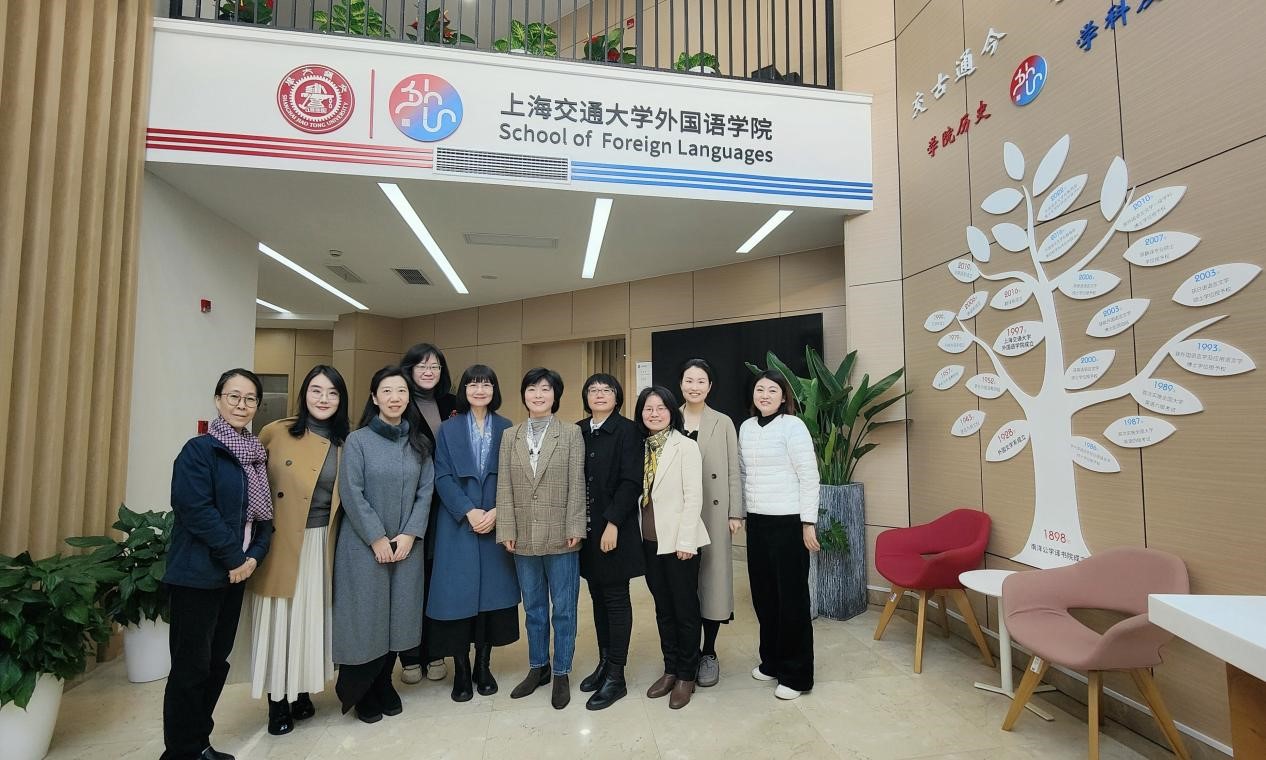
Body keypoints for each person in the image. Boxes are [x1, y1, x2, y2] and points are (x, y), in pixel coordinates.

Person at [163, 369, 274, 760]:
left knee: (214, 662)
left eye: (250, 399)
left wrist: (254, 556)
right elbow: (196, 510)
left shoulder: (256, 454)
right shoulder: (200, 450)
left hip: (236, 574)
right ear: (218, 400)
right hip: (198, 574)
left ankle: (198, 743)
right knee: (191, 666)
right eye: (234, 397)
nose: (242, 405)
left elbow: (262, 518)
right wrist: (235, 557)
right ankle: (181, 751)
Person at [246, 365, 349, 736]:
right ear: (304, 394)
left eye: (332, 393)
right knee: (281, 621)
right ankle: (277, 700)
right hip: (283, 540)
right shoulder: (276, 432)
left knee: (311, 619)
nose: (323, 399)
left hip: (324, 540)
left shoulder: (346, 442)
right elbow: (252, 486)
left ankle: (303, 690)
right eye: (316, 390)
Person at [332, 366, 434, 723]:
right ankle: (362, 690)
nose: (395, 398)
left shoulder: (419, 443)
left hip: (406, 545)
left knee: (399, 616)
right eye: (387, 391)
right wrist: (377, 537)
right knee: (366, 617)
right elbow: (351, 492)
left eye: (401, 391)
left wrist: (410, 534)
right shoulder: (357, 441)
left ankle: (385, 681)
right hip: (364, 545)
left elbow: (426, 492)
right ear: (374, 398)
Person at [426, 364, 519, 703]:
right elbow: (441, 475)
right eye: (473, 384)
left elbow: (514, 476)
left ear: (495, 390)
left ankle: (483, 665)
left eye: (486, 384)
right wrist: (468, 510)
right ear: (464, 390)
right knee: (457, 599)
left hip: (495, 521)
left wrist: (497, 511)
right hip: (458, 524)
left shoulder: (507, 427)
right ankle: (461, 669)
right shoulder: (447, 429)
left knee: (490, 600)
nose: (480, 390)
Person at [495, 367, 586, 710]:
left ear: (555, 395)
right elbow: (504, 485)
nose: (538, 395)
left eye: (545, 389)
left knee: (563, 609)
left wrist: (575, 526)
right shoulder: (511, 436)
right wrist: (506, 528)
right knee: (533, 609)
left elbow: (577, 483)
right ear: (524, 394)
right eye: (532, 389)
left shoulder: (571, 433)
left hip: (562, 536)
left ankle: (561, 671)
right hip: (523, 537)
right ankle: (538, 667)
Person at [739, 370, 820, 701]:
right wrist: (740, 513)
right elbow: (742, 473)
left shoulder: (793, 426)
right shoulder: (746, 427)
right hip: (757, 522)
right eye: (760, 389)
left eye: (773, 390)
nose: (765, 395)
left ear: (784, 396)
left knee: (792, 600)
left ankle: (797, 675)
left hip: (789, 522)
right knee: (764, 596)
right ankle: (771, 661)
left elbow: (808, 474)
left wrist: (808, 522)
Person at [637, 385, 710, 710]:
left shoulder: (685, 446)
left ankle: (686, 675)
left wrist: (686, 542)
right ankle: (670, 668)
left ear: (671, 411)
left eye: (661, 408)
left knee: (685, 610)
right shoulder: (640, 447)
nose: (654, 414)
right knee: (663, 609)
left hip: (680, 543)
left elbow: (694, 497)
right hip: (650, 542)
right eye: (648, 408)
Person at [576, 373, 644, 711]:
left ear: (617, 397)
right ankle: (604, 663)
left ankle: (617, 675)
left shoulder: (628, 431)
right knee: (598, 598)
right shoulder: (578, 430)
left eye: (607, 390)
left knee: (616, 599)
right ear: (585, 397)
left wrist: (613, 523)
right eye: (593, 390)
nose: (600, 394)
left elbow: (632, 482)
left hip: (614, 530)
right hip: (586, 532)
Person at [679, 358, 743, 687]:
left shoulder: (723, 422)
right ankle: (684, 652)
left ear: (710, 386)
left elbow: (733, 469)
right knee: (682, 584)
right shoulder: (669, 417)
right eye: (689, 380)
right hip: (678, 514)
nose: (694, 386)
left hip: (714, 513)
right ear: (680, 384)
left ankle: (709, 652)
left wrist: (735, 512)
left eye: (700, 381)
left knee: (713, 582)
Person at [399, 343, 457, 685]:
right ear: (409, 369)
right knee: (410, 579)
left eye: (434, 366)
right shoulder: (399, 401)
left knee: (438, 578)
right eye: (421, 366)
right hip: (408, 504)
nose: (428, 372)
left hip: (445, 504)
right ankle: (410, 655)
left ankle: (436, 651)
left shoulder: (452, 404)